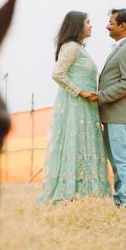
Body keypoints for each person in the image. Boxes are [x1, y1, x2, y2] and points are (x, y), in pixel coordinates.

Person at [37, 11, 111, 204]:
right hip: (75, 104)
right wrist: (80, 92)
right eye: (88, 22)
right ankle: (70, 192)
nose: (91, 25)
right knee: (74, 144)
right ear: (77, 26)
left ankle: (87, 193)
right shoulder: (71, 47)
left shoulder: (80, 48)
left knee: (84, 145)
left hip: (86, 106)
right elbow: (57, 73)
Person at [86, 8, 126, 207]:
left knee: (123, 159)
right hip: (111, 115)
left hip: (119, 115)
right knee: (116, 161)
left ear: (122, 26)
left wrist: (101, 97)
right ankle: (121, 200)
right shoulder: (119, 48)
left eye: (111, 22)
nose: (106, 26)